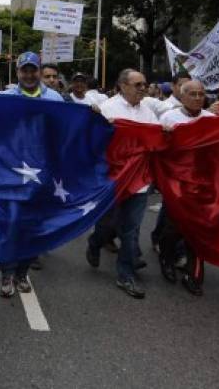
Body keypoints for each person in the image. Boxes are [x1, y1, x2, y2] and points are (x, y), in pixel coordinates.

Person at [87, 68, 159, 299]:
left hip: (139, 182)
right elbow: (94, 143)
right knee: (108, 224)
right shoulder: (107, 109)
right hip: (113, 180)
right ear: (122, 86)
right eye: (138, 85)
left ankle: (125, 274)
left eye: (144, 84)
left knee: (131, 229)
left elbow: (157, 136)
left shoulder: (149, 110)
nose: (143, 89)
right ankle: (95, 242)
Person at [0, 52, 63, 297]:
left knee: (33, 227)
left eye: (33, 69)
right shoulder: (5, 98)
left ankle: (22, 272)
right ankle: (6, 272)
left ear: (39, 71)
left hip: (42, 174)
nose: (29, 74)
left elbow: (67, 128)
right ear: (18, 73)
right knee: (12, 224)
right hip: (11, 173)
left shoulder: (54, 98)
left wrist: (93, 113)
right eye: (24, 70)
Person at [157, 80, 215, 295]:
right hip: (176, 184)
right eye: (193, 93)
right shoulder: (169, 118)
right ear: (182, 96)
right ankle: (166, 257)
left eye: (201, 94)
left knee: (198, 231)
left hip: (204, 185)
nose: (198, 97)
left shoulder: (211, 120)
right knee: (174, 228)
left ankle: (194, 275)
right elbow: (159, 148)